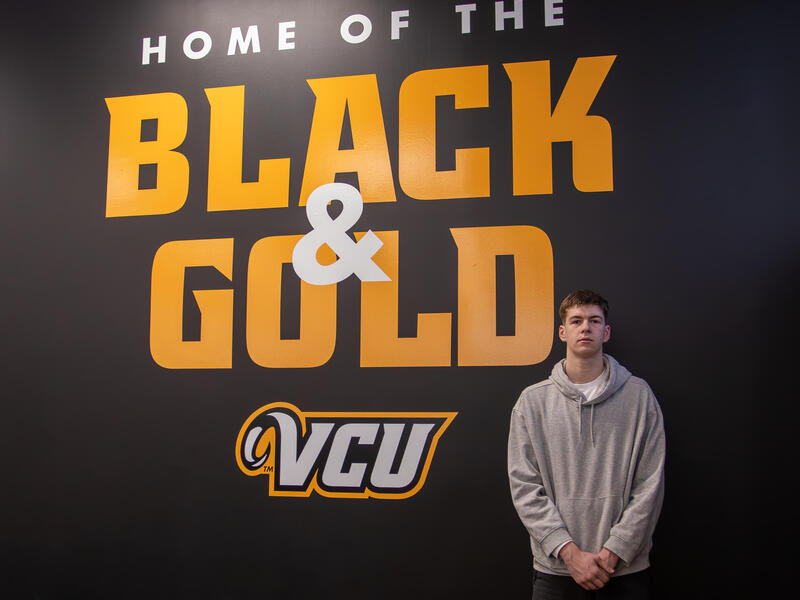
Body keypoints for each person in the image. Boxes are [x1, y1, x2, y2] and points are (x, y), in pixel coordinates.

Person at [508, 290, 665, 599]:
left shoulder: (639, 397)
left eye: (595, 320)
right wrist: (569, 553)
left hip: (624, 570)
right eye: (576, 321)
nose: (586, 328)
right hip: (556, 571)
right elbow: (524, 486)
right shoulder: (532, 402)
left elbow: (651, 484)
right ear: (563, 332)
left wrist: (614, 551)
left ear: (605, 331)